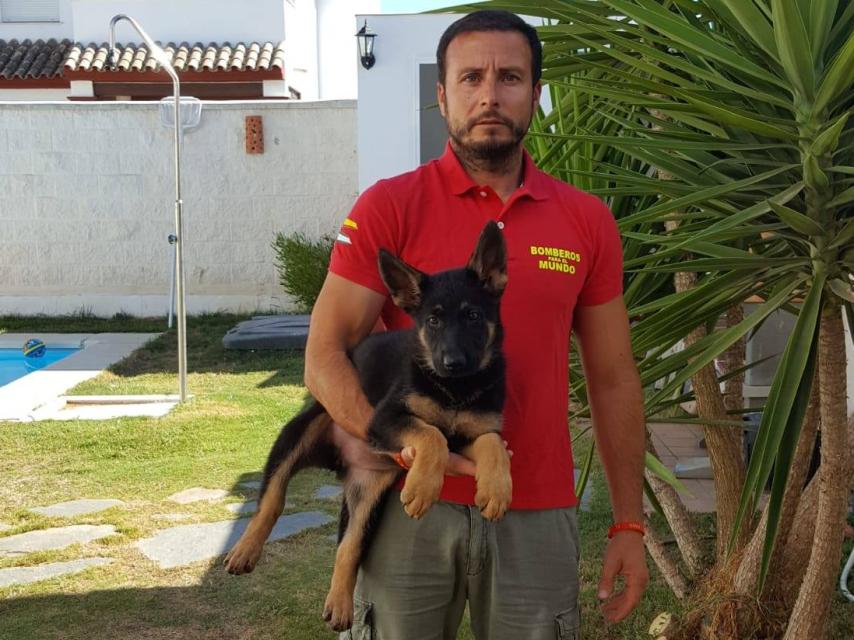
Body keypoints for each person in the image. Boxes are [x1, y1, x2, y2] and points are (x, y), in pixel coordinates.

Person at [304, 9, 648, 639]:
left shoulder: (585, 220)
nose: (489, 94)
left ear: (535, 94)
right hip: (409, 508)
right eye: (471, 78)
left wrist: (628, 521)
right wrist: (406, 446)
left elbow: (614, 378)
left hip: (535, 507)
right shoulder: (388, 206)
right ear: (442, 94)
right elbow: (324, 355)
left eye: (510, 77)